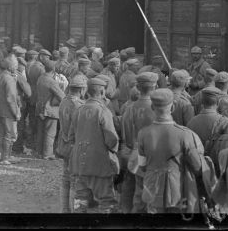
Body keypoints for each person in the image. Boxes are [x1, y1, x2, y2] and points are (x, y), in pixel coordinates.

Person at [137, 89, 203, 214]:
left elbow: (142, 166)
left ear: (152, 106)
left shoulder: (142, 133)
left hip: (151, 188)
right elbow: (198, 167)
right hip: (175, 191)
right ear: (173, 107)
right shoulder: (185, 134)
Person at [67, 77, 119, 213]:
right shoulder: (104, 111)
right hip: (99, 164)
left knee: (80, 200)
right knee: (106, 201)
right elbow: (112, 140)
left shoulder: (78, 110)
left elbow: (71, 137)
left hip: (80, 164)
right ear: (102, 92)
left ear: (87, 92)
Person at [119, 71, 158, 213]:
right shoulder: (158, 108)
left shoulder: (129, 108)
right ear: (155, 87)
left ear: (139, 88)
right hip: (153, 156)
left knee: (135, 188)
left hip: (135, 154)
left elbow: (127, 137)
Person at [187, 86, 228, 170]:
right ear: (219, 101)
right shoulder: (226, 123)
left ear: (202, 101)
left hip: (197, 169)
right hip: (217, 170)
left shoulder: (191, 122)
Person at [57, 75, 87, 213]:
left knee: (65, 177)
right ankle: (73, 212)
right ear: (81, 90)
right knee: (75, 180)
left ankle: (64, 209)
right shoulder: (79, 106)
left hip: (63, 144)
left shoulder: (64, 101)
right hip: (74, 146)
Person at [36, 59, 65, 160]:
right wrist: (62, 86)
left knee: (40, 132)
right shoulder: (52, 82)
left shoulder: (40, 78)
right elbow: (62, 96)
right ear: (53, 70)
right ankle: (47, 154)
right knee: (50, 133)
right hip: (50, 109)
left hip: (39, 108)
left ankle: (39, 152)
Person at [0, 56, 21, 165]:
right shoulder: (9, 79)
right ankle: (6, 157)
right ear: (11, 66)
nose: (16, 67)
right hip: (8, 111)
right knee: (10, 134)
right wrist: (16, 112)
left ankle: (4, 156)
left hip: (1, 109)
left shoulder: (2, 76)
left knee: (2, 133)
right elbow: (11, 98)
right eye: (15, 65)